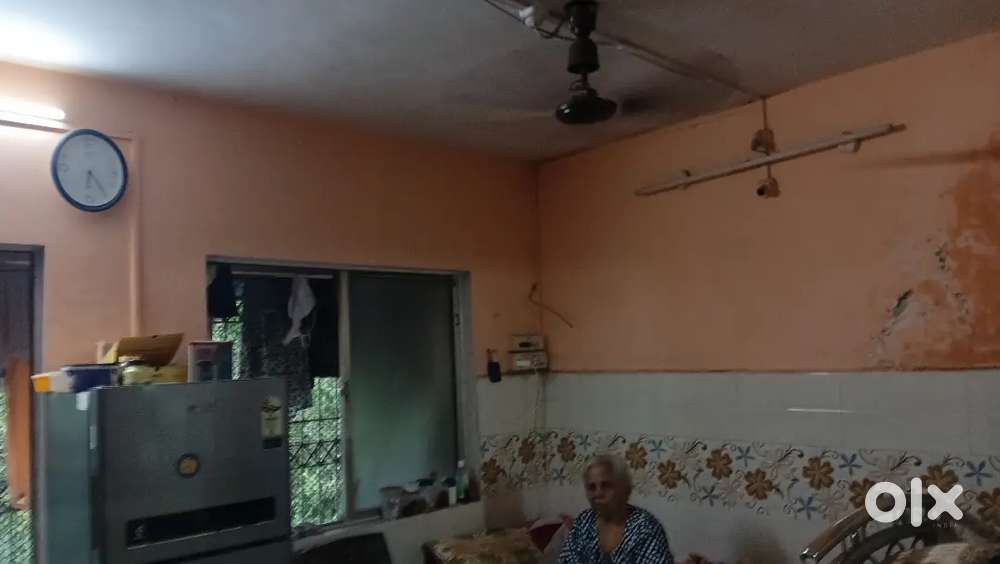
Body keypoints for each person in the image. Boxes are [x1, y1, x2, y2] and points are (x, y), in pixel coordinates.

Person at [559, 454, 675, 564]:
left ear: (625, 490)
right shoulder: (584, 522)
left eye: (606, 485)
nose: (598, 494)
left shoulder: (645, 527)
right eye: (591, 487)